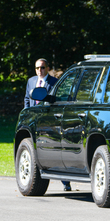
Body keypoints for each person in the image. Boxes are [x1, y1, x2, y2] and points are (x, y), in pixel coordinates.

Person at [23, 58, 71, 191]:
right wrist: (27, 113)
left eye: (42, 67)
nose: (40, 70)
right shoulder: (31, 81)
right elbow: (27, 98)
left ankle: (66, 182)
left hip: (49, 121)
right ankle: (34, 180)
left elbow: (59, 99)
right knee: (34, 151)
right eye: (37, 68)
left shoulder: (55, 83)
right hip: (34, 121)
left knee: (54, 150)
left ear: (48, 68)